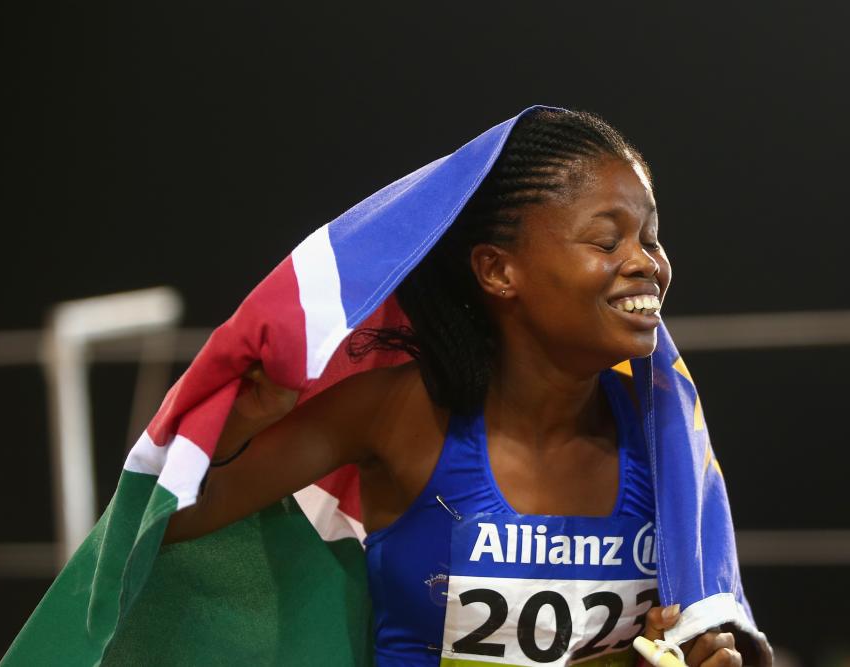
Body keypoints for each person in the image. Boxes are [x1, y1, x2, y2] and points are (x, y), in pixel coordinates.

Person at [162, 109, 744, 666]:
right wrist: (246, 414)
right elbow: (161, 524)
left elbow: (691, 632)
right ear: (497, 270)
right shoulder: (395, 414)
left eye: (651, 237)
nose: (648, 262)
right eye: (607, 241)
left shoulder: (667, 440)